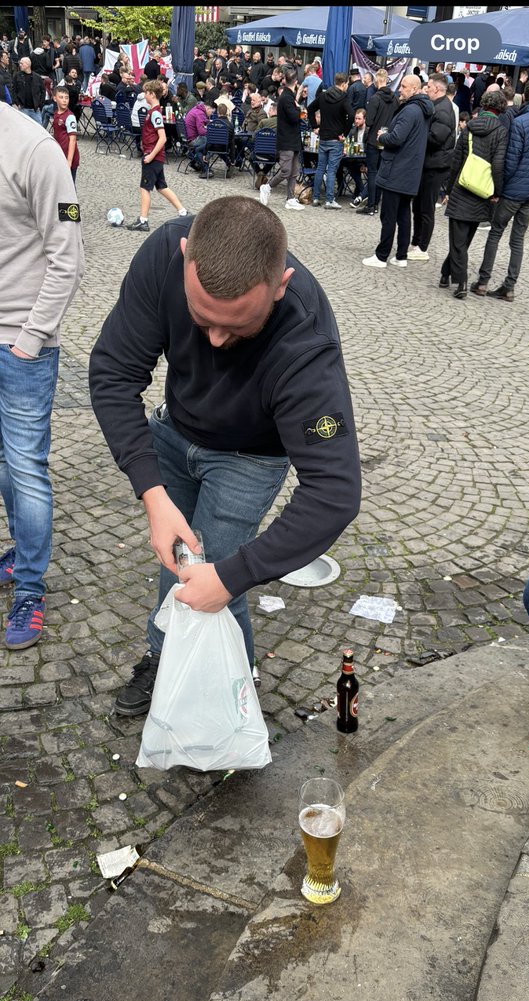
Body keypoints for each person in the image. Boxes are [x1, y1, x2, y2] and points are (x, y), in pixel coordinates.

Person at [89, 196, 361, 717]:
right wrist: (152, 494)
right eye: (202, 318)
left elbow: (335, 492)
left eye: (237, 327)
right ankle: (165, 655)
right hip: (175, 430)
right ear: (185, 257)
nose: (214, 340)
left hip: (249, 456)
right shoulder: (164, 253)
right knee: (183, 561)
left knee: (216, 578)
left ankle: (234, 686)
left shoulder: (306, 341)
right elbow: (113, 372)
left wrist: (236, 575)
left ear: (280, 286)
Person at [0, 104, 84, 649]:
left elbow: (69, 255)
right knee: (4, 463)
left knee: (26, 467)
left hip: (20, 346)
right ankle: (21, 554)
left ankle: (30, 587)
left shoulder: (35, 148)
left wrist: (31, 339)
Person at [470, 79, 529, 302]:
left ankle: (483, 281)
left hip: (513, 189)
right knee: (518, 239)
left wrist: (500, 188)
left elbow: (511, 160)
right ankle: (509, 286)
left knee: (496, 232)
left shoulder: (519, 122)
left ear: (524, 96)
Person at [440, 90, 508, 300]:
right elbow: (498, 165)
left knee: (458, 241)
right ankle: (448, 275)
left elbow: (456, 161)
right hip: (482, 192)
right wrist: (496, 192)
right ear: (501, 109)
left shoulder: (469, 126)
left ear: (484, 105)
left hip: (462, 188)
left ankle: (458, 281)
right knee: (463, 240)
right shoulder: (501, 132)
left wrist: (448, 189)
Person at [362, 74, 433, 268]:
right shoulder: (422, 110)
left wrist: (382, 137)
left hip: (397, 170)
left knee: (389, 216)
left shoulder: (411, 110)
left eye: (403, 86)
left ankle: (381, 256)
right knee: (403, 215)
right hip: (410, 171)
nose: (399, 89)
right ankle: (401, 256)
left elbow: (397, 138)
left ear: (414, 89)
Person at [127, 79, 188, 232]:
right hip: (156, 156)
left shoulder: (155, 113)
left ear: (152, 94)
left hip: (152, 156)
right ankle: (183, 212)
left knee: (144, 188)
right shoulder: (154, 111)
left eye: (146, 92)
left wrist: (150, 155)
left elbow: (163, 138)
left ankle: (143, 220)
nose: (144, 95)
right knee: (162, 186)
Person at [408, 73, 456, 262]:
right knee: (418, 206)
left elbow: (436, 138)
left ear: (436, 89)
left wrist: (417, 135)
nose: (426, 89)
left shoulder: (443, 110)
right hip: (429, 163)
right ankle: (416, 241)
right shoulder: (437, 106)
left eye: (428, 86)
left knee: (426, 208)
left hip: (435, 165)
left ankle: (422, 247)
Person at [308, 71, 353, 210]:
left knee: (320, 168)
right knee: (332, 170)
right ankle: (329, 200)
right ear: (344, 84)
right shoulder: (344, 98)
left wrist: (314, 126)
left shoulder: (323, 95)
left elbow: (310, 108)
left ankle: (316, 198)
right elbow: (351, 115)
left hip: (323, 137)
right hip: (336, 138)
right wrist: (345, 133)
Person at [259, 68, 303, 211]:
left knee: (294, 171)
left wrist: (298, 107)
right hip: (286, 139)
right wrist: (300, 110)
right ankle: (267, 187)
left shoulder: (289, 96)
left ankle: (290, 198)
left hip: (293, 138)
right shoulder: (286, 97)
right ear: (295, 82)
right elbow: (294, 117)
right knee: (286, 170)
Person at [357, 69, 399, 216]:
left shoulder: (375, 98)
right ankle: (376, 205)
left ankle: (370, 205)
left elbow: (369, 121)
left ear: (376, 81)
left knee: (373, 173)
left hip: (374, 140)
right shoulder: (395, 99)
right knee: (381, 173)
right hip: (387, 139)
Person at [51, 83, 79, 185]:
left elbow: (72, 139)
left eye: (66, 98)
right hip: (60, 155)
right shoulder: (56, 114)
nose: (64, 100)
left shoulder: (70, 117)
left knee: (69, 186)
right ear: (55, 98)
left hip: (68, 157)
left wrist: (69, 161)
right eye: (61, 97)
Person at [11, 56, 45, 124]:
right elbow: (14, 90)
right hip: (23, 108)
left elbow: (43, 92)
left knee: (38, 127)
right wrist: (17, 103)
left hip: (35, 110)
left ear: (28, 64)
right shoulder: (17, 76)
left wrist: (40, 105)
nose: (20, 65)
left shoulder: (37, 77)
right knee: (23, 127)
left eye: (22, 63)